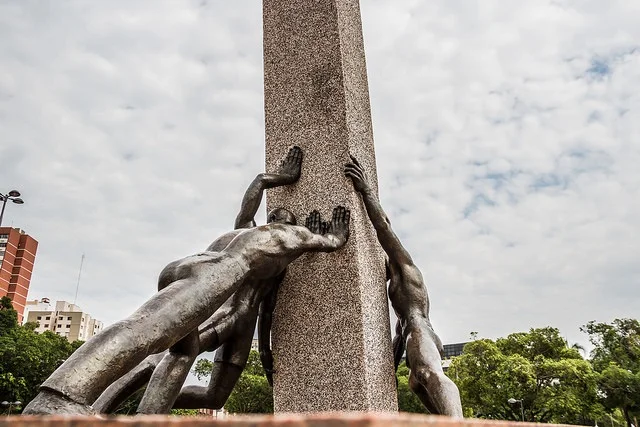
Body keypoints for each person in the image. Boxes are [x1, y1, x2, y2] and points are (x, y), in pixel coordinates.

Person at [24, 159, 350, 416]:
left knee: (202, 380)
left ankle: (138, 409)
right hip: (222, 299)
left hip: (205, 278)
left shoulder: (243, 235)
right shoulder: (278, 236)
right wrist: (328, 236)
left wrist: (282, 177)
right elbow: (329, 240)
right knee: (150, 335)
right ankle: (63, 396)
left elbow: (257, 187)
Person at [95, 147, 304, 414]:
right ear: (269, 222)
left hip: (243, 326)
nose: (284, 234)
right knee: (166, 358)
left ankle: (149, 404)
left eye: (290, 230)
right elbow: (260, 181)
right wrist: (284, 177)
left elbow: (267, 313)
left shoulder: (279, 266)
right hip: (221, 313)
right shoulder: (244, 236)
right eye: (282, 226)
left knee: (214, 398)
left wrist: (266, 355)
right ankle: (107, 409)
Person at [344, 156, 462, 417]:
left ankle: (457, 422)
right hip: (411, 331)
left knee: (427, 373)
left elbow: (383, 226)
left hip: (419, 330)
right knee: (416, 383)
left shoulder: (405, 266)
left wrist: (366, 190)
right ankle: (444, 421)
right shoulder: (397, 285)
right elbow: (398, 335)